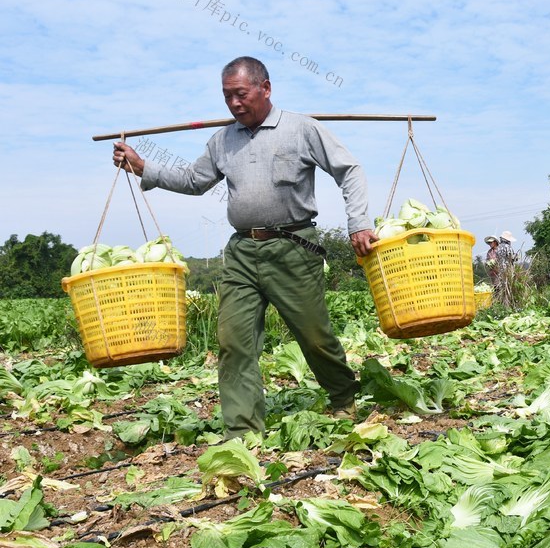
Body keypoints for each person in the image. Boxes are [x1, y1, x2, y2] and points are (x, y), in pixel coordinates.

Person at [112, 56, 377, 439]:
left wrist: (359, 222)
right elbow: (194, 180)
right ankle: (242, 430)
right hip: (242, 252)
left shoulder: (301, 129)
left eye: (241, 94)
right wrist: (143, 168)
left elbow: (348, 170)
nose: (234, 103)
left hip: (293, 247)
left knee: (314, 336)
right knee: (234, 340)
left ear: (265, 88)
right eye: (227, 96)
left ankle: (343, 395)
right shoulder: (223, 140)